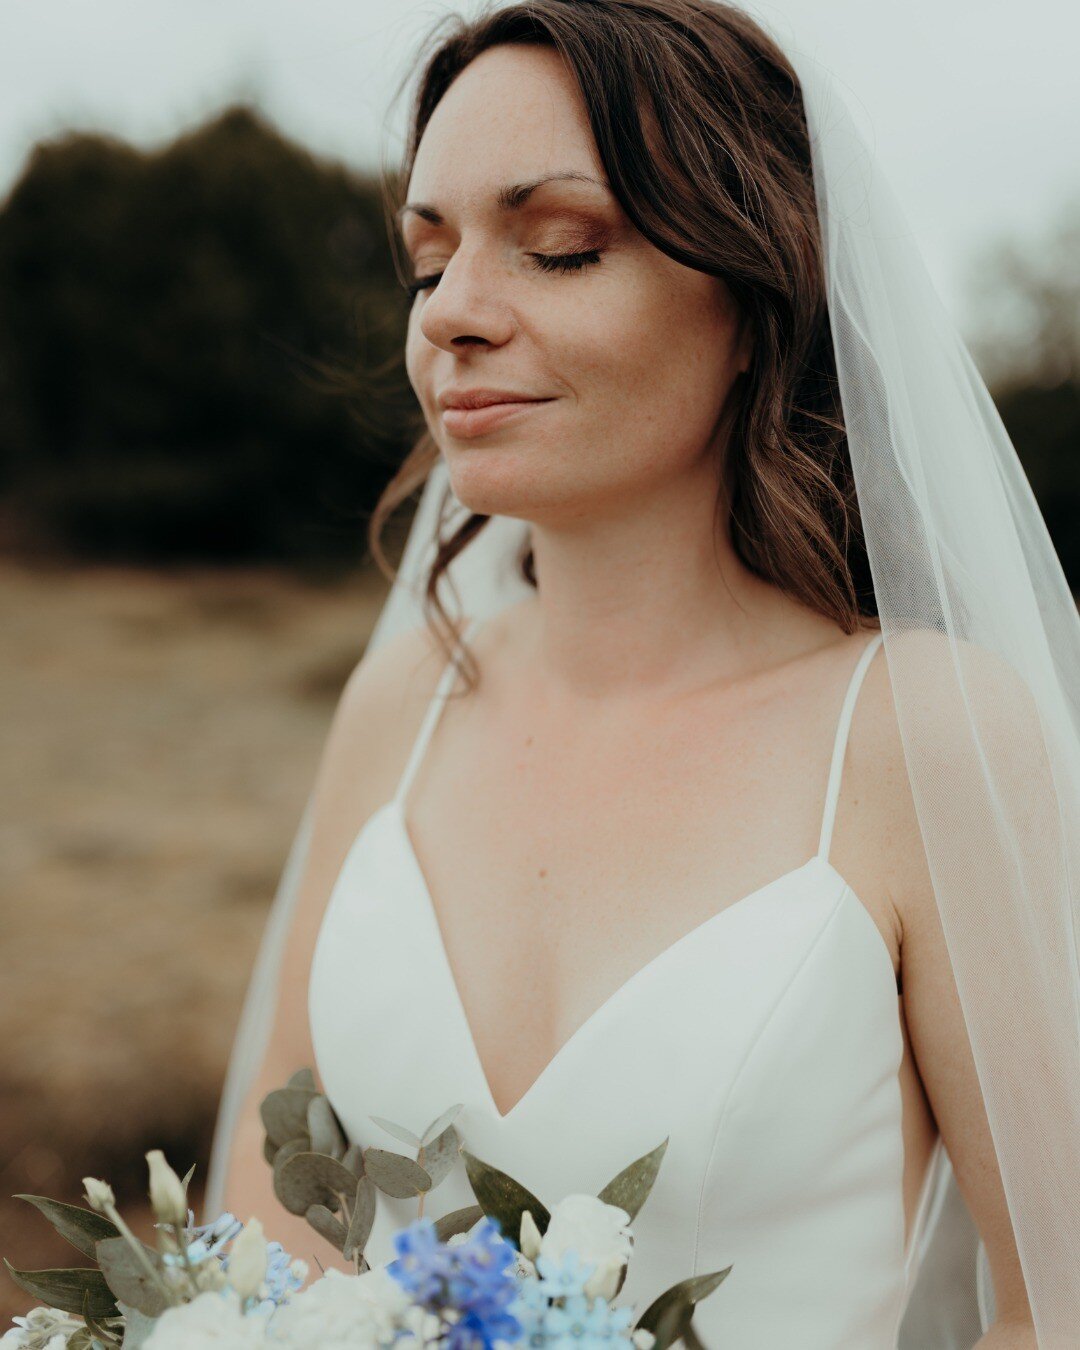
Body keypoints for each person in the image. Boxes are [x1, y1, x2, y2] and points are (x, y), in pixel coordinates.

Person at [206, 3, 1079, 1346]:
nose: (454, 318)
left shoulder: (924, 735)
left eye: (558, 248)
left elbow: (1055, 1304)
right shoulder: (405, 706)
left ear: (754, 298)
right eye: (426, 262)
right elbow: (265, 1198)